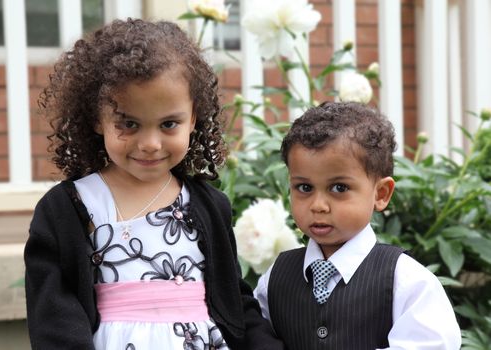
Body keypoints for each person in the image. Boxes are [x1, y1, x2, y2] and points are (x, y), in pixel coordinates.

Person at [24, 18, 284, 350]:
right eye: (129, 124)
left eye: (169, 124)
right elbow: (53, 311)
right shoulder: (71, 207)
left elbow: (235, 300)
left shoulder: (208, 206)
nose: (150, 143)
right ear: (96, 119)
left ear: (192, 118)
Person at [254, 102, 461, 349]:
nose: (318, 205)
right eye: (304, 188)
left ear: (381, 193)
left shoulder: (407, 282)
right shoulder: (274, 280)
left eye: (339, 188)